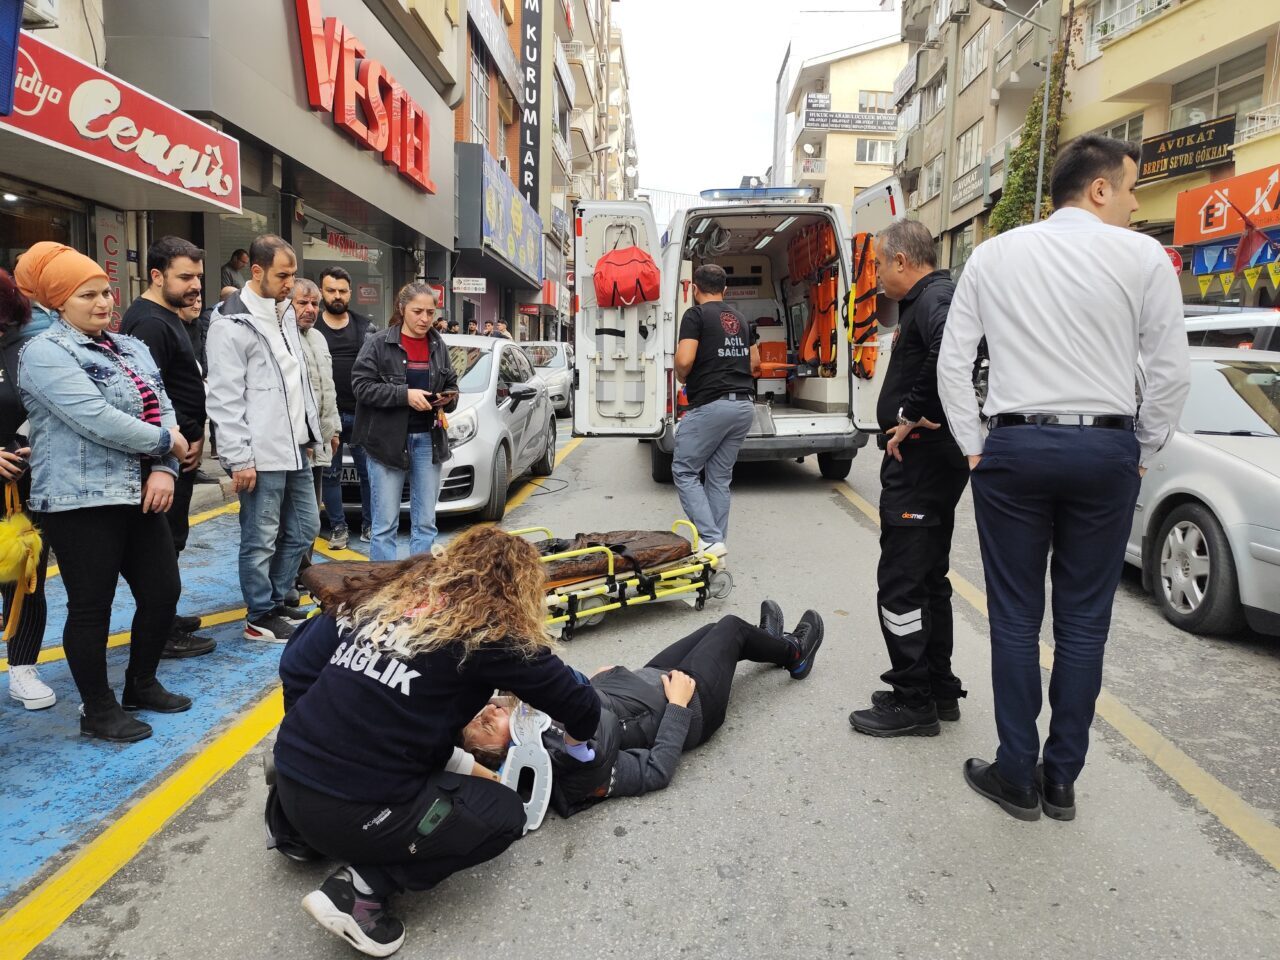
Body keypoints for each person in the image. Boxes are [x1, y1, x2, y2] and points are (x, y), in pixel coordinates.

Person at [937, 135, 1190, 822]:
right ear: (1099, 189)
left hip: (1013, 447)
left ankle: (1015, 773)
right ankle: (1062, 780)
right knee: (1084, 626)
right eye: (1132, 189)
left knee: (1016, 621)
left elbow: (952, 362)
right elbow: (1170, 371)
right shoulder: (1142, 257)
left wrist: (973, 446)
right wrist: (1139, 450)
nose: (1137, 205)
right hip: (1105, 449)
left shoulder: (993, 255)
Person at [274, 527, 601, 957]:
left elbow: (297, 668)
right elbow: (581, 707)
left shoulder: (385, 599)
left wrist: (317, 737)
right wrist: (577, 743)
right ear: (518, 592)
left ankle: (294, 828)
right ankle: (362, 891)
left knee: (401, 736)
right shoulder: (492, 634)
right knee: (504, 815)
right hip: (350, 810)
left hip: (290, 778)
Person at [15, 242, 192, 742]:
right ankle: (97, 709)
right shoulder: (44, 353)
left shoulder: (129, 346)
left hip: (142, 490)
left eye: (106, 291)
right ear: (56, 303)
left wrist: (165, 468)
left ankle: (141, 684)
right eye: (86, 294)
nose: (102, 303)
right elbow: (95, 419)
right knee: (91, 608)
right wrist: (167, 444)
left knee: (162, 593)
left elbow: (162, 403)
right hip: (81, 499)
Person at [461, 602, 824, 816]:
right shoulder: (573, 772)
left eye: (482, 714)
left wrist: (596, 683)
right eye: (488, 727)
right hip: (690, 702)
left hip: (644, 680)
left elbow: (579, 708)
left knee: (717, 628)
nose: (490, 712)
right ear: (506, 756)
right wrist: (680, 706)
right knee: (730, 629)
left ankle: (767, 642)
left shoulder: (539, 727)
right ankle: (794, 653)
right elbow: (655, 771)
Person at [848, 220, 970, 739]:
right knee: (927, 581)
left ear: (902, 260)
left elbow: (951, 352)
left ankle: (912, 699)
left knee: (901, 586)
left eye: (878, 264)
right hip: (929, 461)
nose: (874, 277)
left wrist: (913, 412)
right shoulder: (928, 298)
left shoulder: (935, 297)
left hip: (920, 462)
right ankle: (936, 687)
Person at [206, 235, 322, 643]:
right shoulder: (230, 322)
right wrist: (239, 459)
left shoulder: (284, 312)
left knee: (306, 527)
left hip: (295, 448)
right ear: (256, 271)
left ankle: (276, 598)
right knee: (259, 537)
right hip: (259, 453)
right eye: (283, 275)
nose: (291, 284)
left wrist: (310, 432)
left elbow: (295, 378)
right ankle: (260, 614)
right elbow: (223, 398)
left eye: (293, 275)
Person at [120, 236, 217, 659]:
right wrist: (174, 447)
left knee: (173, 540)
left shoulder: (169, 315)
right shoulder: (149, 323)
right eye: (185, 277)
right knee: (161, 549)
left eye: (198, 276)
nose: (195, 285)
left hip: (181, 452)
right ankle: (160, 632)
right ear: (157, 276)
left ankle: (166, 617)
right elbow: (146, 397)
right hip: (166, 459)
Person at [352, 283, 457, 562]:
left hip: (428, 441)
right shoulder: (378, 343)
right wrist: (404, 395)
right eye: (418, 311)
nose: (424, 319)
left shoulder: (438, 344)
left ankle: (419, 586)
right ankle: (383, 589)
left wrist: (447, 398)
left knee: (425, 523)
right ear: (402, 309)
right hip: (387, 444)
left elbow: (452, 383)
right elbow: (361, 387)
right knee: (385, 525)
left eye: (430, 312)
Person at [672, 263, 761, 559]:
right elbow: (755, 365)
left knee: (684, 469)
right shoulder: (740, 318)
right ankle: (716, 545)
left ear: (695, 289)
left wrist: (683, 375)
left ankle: (709, 539)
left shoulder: (695, 315)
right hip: (744, 407)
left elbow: (684, 360)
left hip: (712, 405)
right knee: (719, 477)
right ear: (725, 290)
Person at [0, 270, 55, 710]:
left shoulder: (28, 351)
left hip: (24, 486)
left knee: (26, 579)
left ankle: (22, 668)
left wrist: (38, 444)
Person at [314, 266, 373, 549]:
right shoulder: (311, 328)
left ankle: (370, 525)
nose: (336, 296)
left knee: (368, 474)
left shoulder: (366, 327)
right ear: (321, 291)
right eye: (330, 290)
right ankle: (338, 527)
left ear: (350, 293)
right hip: (327, 416)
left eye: (342, 291)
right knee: (331, 475)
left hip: (362, 414)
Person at [292, 279, 341, 508]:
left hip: (322, 440)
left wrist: (335, 430)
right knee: (297, 518)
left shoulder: (318, 338)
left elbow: (328, 388)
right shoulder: (283, 340)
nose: (310, 309)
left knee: (312, 514)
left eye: (314, 304)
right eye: (302, 303)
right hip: (297, 444)